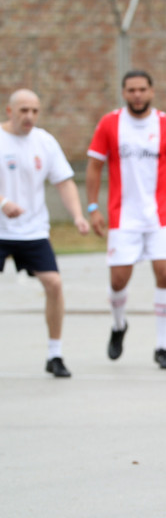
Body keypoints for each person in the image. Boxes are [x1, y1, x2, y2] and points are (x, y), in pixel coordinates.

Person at [85, 70, 166, 370]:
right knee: (118, 279)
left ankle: (162, 347)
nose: (137, 95)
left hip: (160, 217)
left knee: (164, 273)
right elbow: (94, 166)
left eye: (142, 89)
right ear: (124, 93)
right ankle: (118, 325)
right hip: (123, 217)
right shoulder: (110, 124)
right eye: (131, 90)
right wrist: (92, 207)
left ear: (152, 91)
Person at [0, 89, 90, 378]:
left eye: (34, 111)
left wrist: (77, 216)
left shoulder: (45, 142)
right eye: (23, 110)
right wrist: (3, 203)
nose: (29, 116)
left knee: (54, 284)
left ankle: (55, 354)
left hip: (33, 229)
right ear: (9, 111)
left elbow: (64, 182)